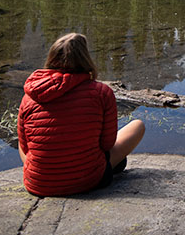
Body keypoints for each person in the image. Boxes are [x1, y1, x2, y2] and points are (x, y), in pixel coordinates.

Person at [17, 32, 145, 197]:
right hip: (89, 180)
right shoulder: (101, 92)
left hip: (39, 186)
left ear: (51, 58)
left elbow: (26, 147)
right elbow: (107, 144)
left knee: (23, 140)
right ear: (86, 59)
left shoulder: (30, 95)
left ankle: (46, 173)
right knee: (138, 125)